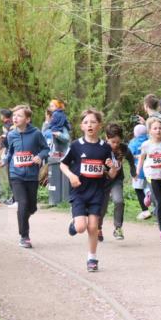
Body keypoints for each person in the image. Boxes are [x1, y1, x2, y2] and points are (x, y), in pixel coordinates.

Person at [60, 109, 119, 271]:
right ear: (82, 126)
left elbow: (113, 174)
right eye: (86, 122)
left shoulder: (105, 148)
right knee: (80, 228)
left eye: (93, 122)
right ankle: (74, 224)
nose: (89, 125)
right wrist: (71, 176)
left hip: (96, 192)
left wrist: (112, 167)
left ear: (99, 125)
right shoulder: (76, 146)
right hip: (79, 191)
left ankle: (92, 258)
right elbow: (62, 164)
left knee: (93, 227)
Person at [1, 105, 49, 248]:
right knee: (22, 204)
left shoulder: (36, 134)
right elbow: (10, 152)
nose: (15, 118)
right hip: (16, 175)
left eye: (19, 116)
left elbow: (46, 149)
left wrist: (40, 156)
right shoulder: (11, 135)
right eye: (14, 116)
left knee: (31, 207)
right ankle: (24, 236)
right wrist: (4, 161)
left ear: (27, 119)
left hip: (32, 176)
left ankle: (24, 217)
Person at [137, 116, 161, 243]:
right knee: (160, 203)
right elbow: (142, 159)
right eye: (155, 128)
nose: (158, 130)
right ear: (150, 130)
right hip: (151, 175)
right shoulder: (146, 145)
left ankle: (149, 194)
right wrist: (138, 171)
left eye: (160, 128)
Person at [103, 123, 136, 240]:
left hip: (116, 180)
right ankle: (98, 228)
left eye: (118, 142)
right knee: (102, 206)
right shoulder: (101, 147)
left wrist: (133, 172)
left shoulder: (123, 148)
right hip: (102, 181)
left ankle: (118, 228)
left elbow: (131, 159)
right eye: (113, 142)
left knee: (119, 201)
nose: (115, 145)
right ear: (107, 138)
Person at [42, 99, 72, 206]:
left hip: (62, 156)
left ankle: (63, 200)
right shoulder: (49, 125)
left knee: (61, 179)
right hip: (51, 156)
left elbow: (67, 138)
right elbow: (43, 135)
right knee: (51, 179)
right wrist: (46, 123)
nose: (51, 118)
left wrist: (57, 134)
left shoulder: (61, 126)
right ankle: (54, 199)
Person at [129, 123, 151, 219]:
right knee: (147, 187)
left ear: (135, 133)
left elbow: (129, 155)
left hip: (138, 170)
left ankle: (145, 211)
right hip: (150, 169)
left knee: (138, 189)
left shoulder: (133, 143)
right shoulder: (150, 140)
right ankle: (149, 194)